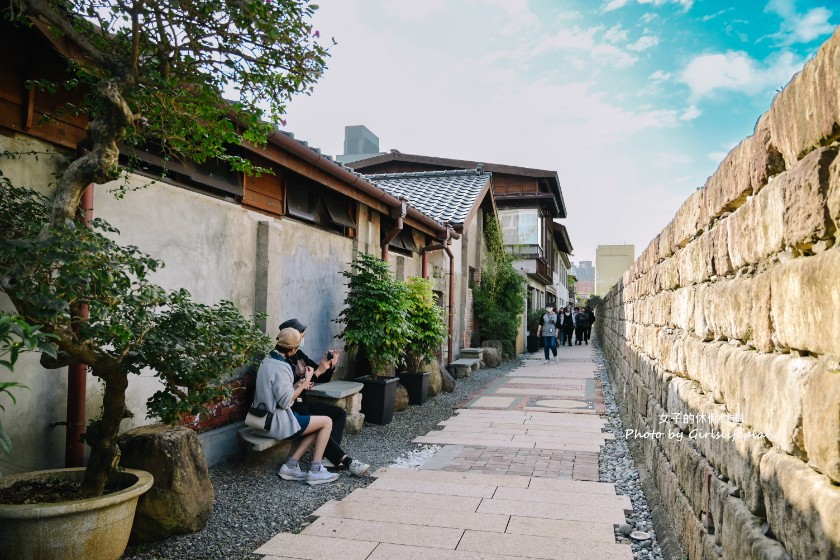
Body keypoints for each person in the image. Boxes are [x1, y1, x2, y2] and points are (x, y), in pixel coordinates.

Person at [278, 318, 370, 477]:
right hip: (292, 406)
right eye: (300, 333)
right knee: (319, 422)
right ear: (291, 337)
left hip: (304, 401)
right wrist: (317, 373)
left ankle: (329, 457)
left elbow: (319, 377)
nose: (303, 336)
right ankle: (345, 459)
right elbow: (294, 385)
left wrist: (329, 366)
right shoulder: (282, 361)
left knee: (338, 413)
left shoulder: (299, 354)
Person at [253, 327, 339, 485]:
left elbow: (278, 394)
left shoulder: (267, 361)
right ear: (292, 349)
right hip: (275, 423)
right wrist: (306, 381)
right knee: (327, 422)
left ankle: (291, 465)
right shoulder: (282, 367)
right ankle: (315, 470)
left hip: (261, 419)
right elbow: (285, 402)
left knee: (316, 423)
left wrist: (296, 385)